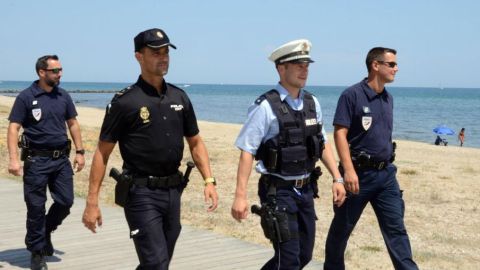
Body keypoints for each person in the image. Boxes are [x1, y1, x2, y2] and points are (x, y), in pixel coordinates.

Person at [81, 28, 219, 269]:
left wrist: (209, 180)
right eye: (156, 52)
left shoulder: (180, 97)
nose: (163, 57)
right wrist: (92, 201)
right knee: (156, 263)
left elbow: (195, 142)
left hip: (173, 192)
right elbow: (102, 153)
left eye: (166, 52)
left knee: (158, 261)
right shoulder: (124, 102)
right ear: (139, 56)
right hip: (141, 194)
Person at [231, 39, 346, 270]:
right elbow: (247, 151)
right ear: (281, 68)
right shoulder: (265, 106)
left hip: (305, 190)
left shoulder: (312, 102)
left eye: (307, 65)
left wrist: (337, 177)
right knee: (289, 259)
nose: (304, 70)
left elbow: (321, 143)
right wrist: (240, 196)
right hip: (278, 192)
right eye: (298, 65)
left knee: (303, 255)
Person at [324, 47, 418, 270]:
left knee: (396, 231)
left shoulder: (388, 98)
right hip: (358, 175)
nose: (397, 68)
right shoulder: (352, 95)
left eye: (396, 64)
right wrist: (347, 170)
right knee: (341, 231)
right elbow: (340, 133)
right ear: (376, 65)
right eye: (392, 64)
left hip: (386, 176)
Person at [7, 55, 85, 270]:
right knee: (35, 208)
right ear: (42, 72)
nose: (59, 74)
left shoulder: (64, 96)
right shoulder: (26, 97)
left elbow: (73, 123)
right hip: (36, 160)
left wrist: (80, 152)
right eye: (55, 70)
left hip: (61, 161)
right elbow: (14, 128)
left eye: (60, 70)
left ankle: (45, 231)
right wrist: (14, 160)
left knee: (66, 201)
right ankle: (37, 251)